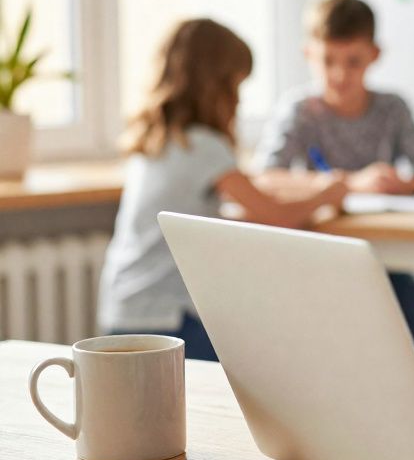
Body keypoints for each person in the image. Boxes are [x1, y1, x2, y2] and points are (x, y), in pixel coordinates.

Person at [99, 19, 348, 360]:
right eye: (237, 85)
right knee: (269, 353)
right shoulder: (203, 146)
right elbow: (276, 215)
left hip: (125, 310)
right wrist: (327, 193)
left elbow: (240, 199)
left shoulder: (158, 140)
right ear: (217, 84)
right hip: (168, 319)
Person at [255, 0, 414, 376]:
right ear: (308, 53)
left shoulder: (392, 107)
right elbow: (265, 176)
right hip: (319, 255)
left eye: (352, 61)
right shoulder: (299, 109)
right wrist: (350, 183)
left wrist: (400, 184)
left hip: (384, 255)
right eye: (328, 61)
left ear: (374, 55)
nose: (339, 75)